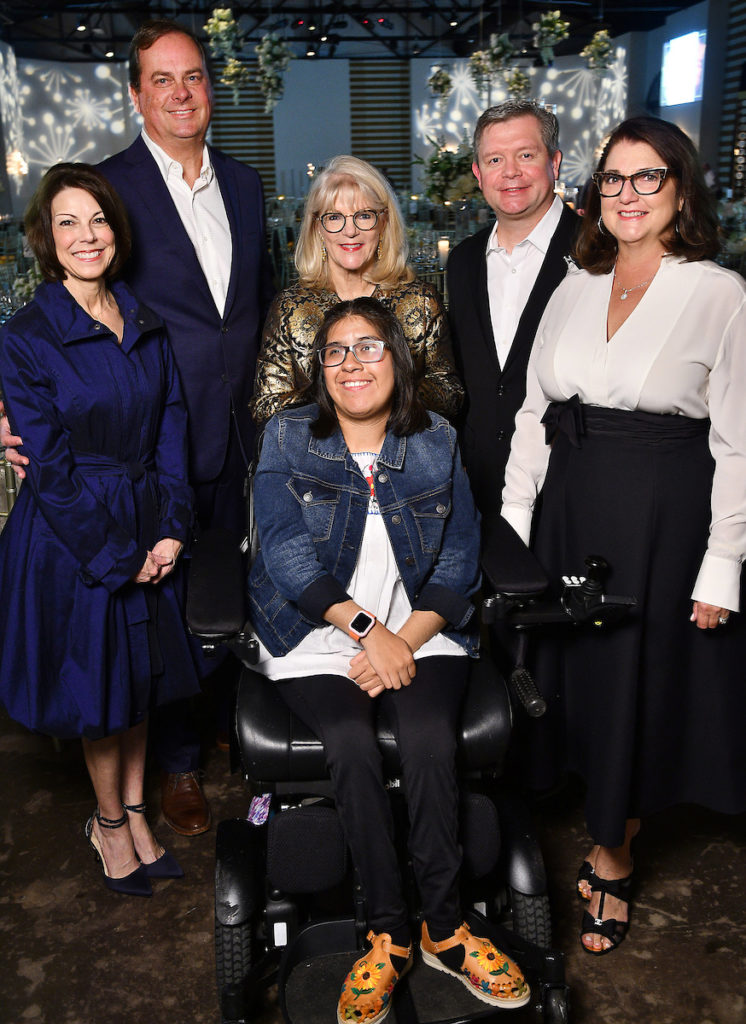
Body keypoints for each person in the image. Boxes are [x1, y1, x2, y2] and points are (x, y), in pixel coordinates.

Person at [1, 19, 275, 836]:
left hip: (244, 423)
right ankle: (181, 763)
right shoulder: (105, 189)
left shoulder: (246, 182)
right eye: (163, 79)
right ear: (136, 93)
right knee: (172, 596)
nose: (182, 93)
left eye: (193, 77)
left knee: (239, 576)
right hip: (153, 427)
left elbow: (249, 306)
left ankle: (237, 726)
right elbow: (58, 319)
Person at [501, 116, 746, 955]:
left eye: (649, 178)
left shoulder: (719, 293)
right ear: (595, 192)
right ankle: (582, 808)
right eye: (615, 178)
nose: (629, 194)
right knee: (577, 680)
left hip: (661, 518)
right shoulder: (572, 284)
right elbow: (535, 416)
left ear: (680, 190)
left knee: (634, 681)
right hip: (568, 507)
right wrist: (512, 527)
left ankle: (614, 849)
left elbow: (739, 440)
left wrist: (723, 564)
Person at [248, 296, 529, 1020]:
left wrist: (400, 638)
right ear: (319, 369)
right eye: (335, 352)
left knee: (431, 735)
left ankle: (443, 926)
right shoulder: (287, 437)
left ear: (398, 361)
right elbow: (284, 553)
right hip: (318, 630)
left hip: (420, 627)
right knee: (347, 740)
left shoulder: (434, 437)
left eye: (369, 348)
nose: (352, 364)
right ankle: (388, 932)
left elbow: (461, 555)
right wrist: (367, 629)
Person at [0, 163, 201, 897]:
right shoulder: (25, 336)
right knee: (100, 691)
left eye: (99, 220)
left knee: (141, 683)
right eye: (68, 223)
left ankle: (139, 810)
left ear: (117, 230)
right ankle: (109, 822)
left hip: (151, 520)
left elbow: (172, 425)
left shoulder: (141, 317)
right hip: (74, 537)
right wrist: (120, 556)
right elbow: (47, 469)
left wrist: (173, 528)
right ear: (47, 241)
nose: (88, 237)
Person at [251, 155, 462, 426]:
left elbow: (451, 395)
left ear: (384, 222)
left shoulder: (418, 300)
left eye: (364, 215)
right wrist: (345, 393)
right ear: (318, 228)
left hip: (405, 457)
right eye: (334, 217)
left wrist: (386, 393)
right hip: (315, 462)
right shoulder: (291, 307)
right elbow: (265, 407)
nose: (349, 231)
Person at [446, 100, 579, 515]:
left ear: (554, 162)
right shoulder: (464, 260)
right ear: (478, 173)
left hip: (568, 478)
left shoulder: (597, 252)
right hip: (477, 485)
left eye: (526, 155)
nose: (511, 173)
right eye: (495, 159)